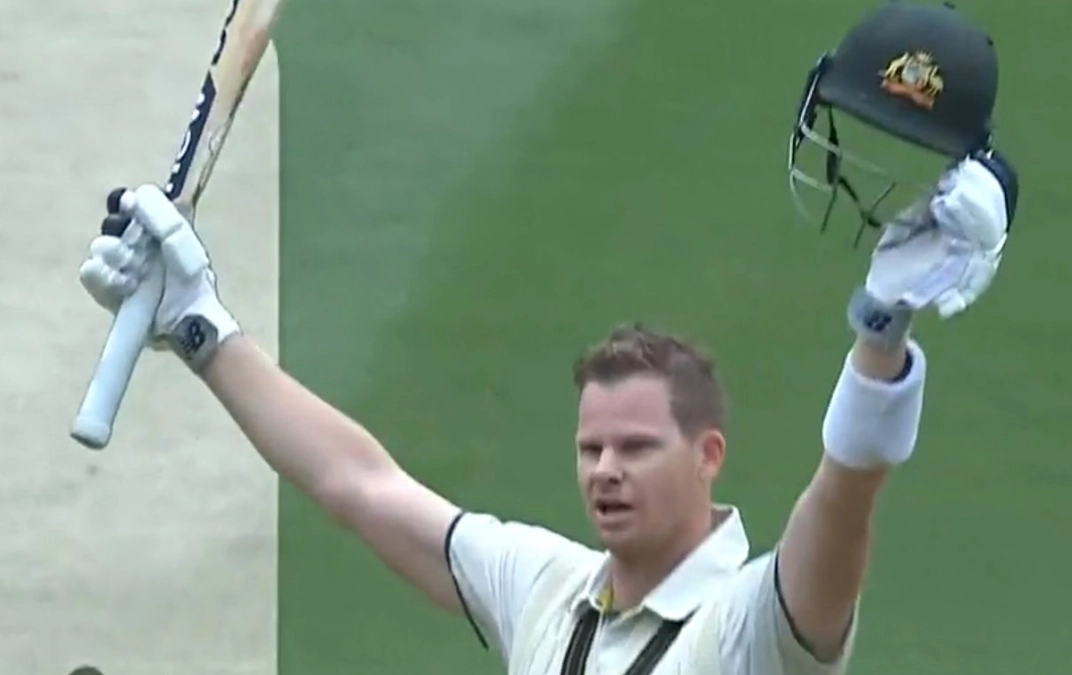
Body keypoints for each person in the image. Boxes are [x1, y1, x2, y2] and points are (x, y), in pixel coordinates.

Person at [78, 2, 1018, 673]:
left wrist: (881, 333)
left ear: (709, 456)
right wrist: (203, 331)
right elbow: (358, 483)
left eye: (635, 447)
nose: (605, 470)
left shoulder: (753, 629)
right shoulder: (548, 587)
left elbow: (846, 498)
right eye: (591, 447)